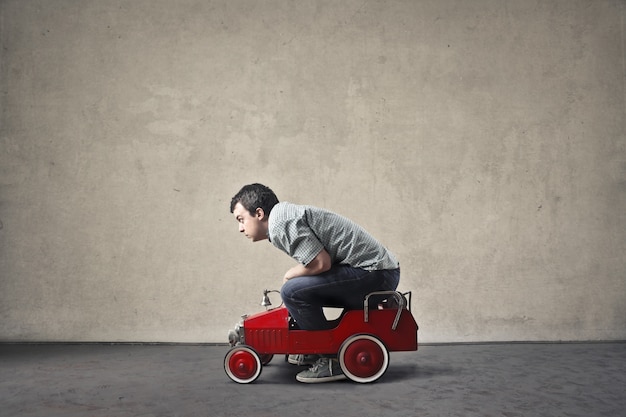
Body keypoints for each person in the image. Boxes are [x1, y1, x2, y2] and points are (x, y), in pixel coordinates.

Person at [230, 183, 400, 383]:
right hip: (377, 271)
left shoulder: (280, 223)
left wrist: (289, 274)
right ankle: (312, 347)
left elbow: (320, 263)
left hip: (375, 274)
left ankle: (330, 358)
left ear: (259, 213)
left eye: (241, 220)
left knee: (292, 291)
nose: (240, 229)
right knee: (296, 288)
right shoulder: (283, 217)